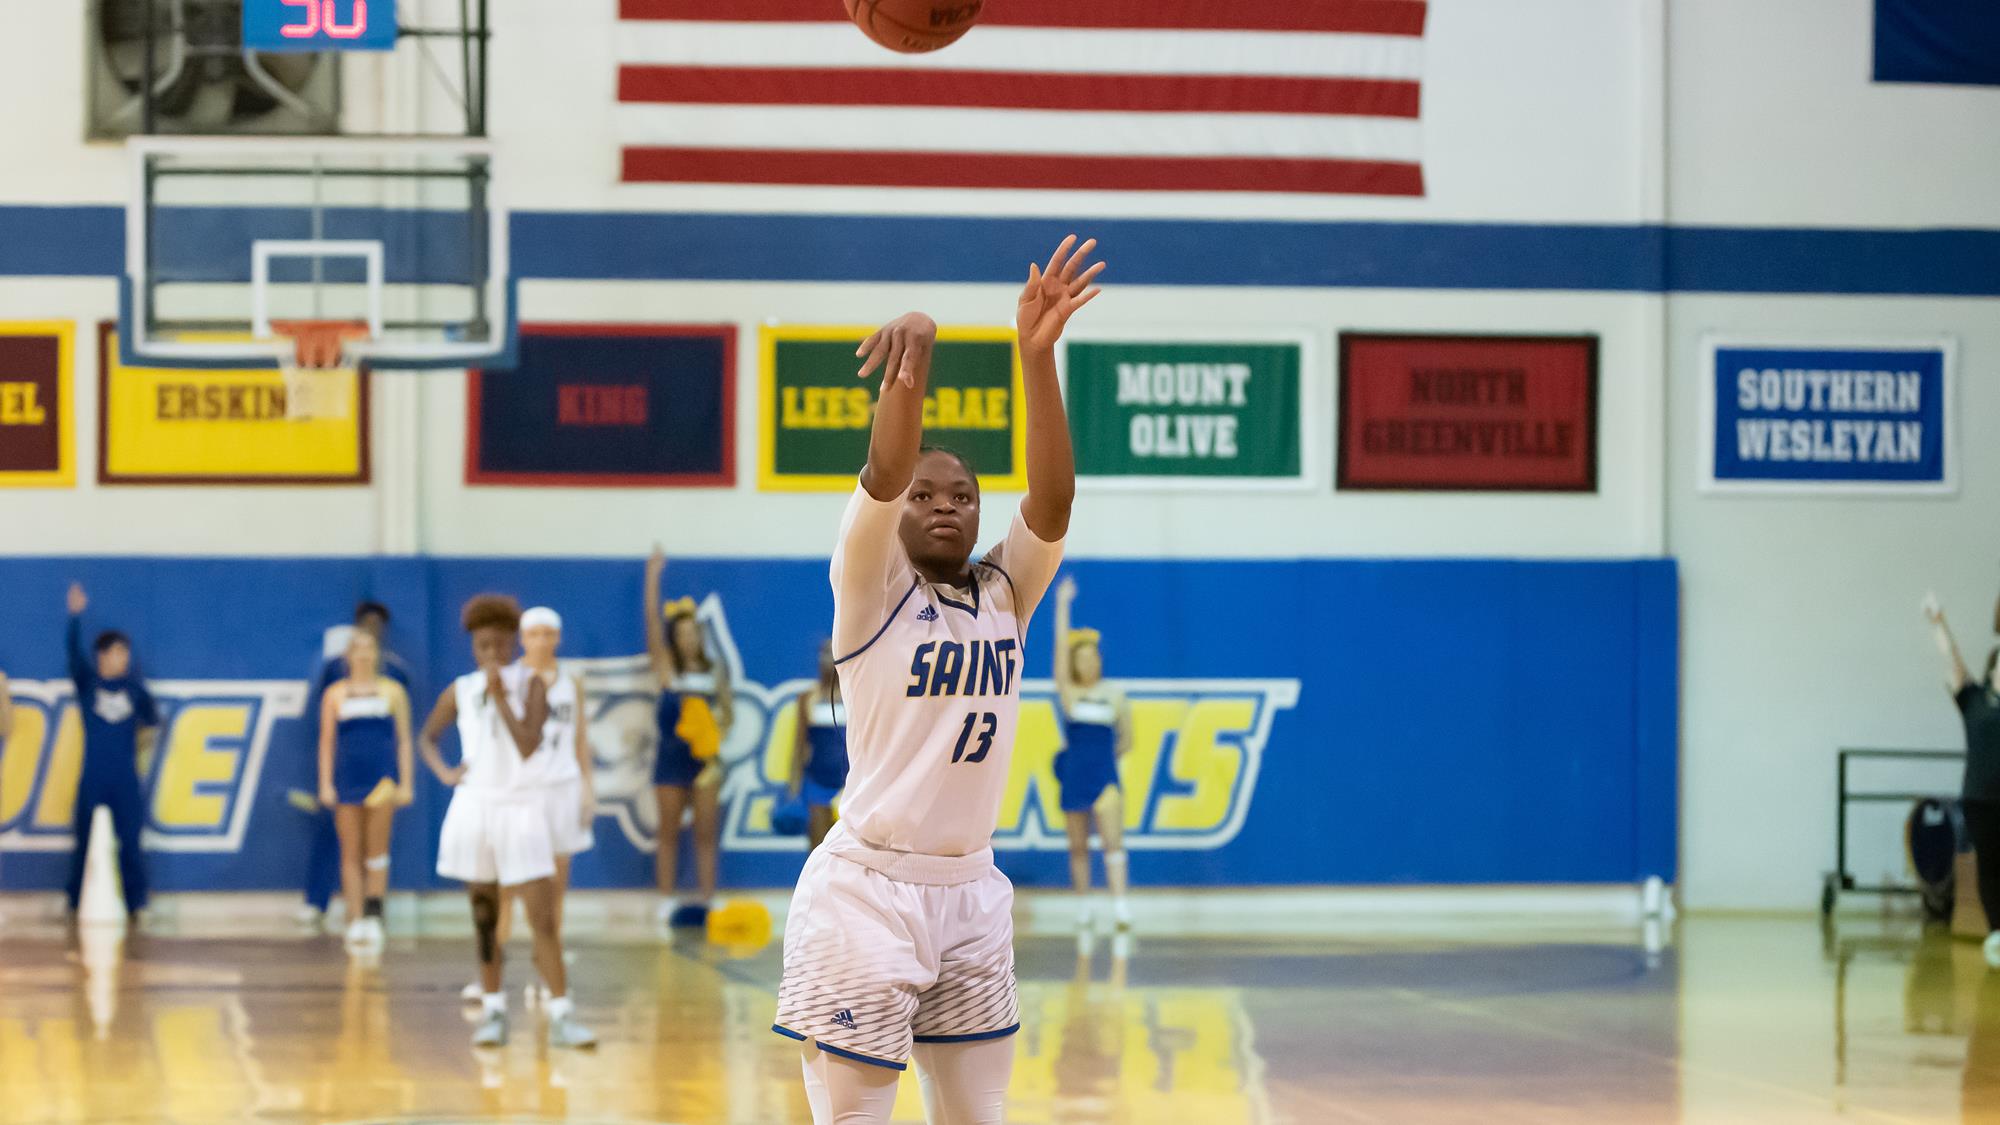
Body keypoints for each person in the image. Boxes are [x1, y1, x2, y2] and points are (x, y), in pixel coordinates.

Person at [772, 234, 1101, 1124]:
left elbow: (1054, 501)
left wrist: (1036, 354)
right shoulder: (870, 585)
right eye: (927, 496)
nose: (945, 504)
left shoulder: (1005, 592)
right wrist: (913, 356)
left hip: (972, 892)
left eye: (962, 495)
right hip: (866, 891)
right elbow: (884, 472)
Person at [419, 594, 595, 1049]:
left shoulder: (533, 685)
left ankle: (562, 1013)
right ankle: (494, 1010)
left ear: (513, 644)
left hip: (522, 808)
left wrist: (499, 697)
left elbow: (528, 745)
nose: (494, 653)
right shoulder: (461, 689)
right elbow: (427, 737)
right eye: (484, 646)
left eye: (501, 645)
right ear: (473, 648)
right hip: (475, 807)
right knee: (485, 917)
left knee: (543, 918)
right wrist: (446, 772)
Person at [470, 606, 595, 1003]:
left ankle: (547, 974)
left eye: (548, 633)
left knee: (555, 890)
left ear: (558, 637)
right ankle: (491, 976)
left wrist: (588, 787)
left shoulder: (571, 682)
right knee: (506, 888)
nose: (541, 641)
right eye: (534, 634)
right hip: (521, 793)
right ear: (523, 639)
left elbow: (579, 738)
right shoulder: (510, 680)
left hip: (562, 790)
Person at [302, 602, 412, 930]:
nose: (364, 655)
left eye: (369, 649)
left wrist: (406, 783)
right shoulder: (334, 694)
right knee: (350, 852)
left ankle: (375, 914)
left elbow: (404, 740)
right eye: (358, 649)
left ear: (378, 653)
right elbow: (326, 742)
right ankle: (355, 918)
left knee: (377, 850)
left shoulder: (393, 691)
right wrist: (326, 783)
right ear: (347, 655)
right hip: (347, 780)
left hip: (382, 781)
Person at [644, 550, 733, 929]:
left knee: (706, 833)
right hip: (670, 760)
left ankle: (709, 899)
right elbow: (652, 625)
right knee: (668, 832)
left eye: (693, 632)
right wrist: (652, 577)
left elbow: (727, 713)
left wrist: (712, 735)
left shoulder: (714, 671)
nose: (688, 638)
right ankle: (666, 900)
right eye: (681, 634)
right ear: (673, 638)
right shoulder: (667, 670)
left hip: (705, 762)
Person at [63, 582, 158, 923]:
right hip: (93, 777)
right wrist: (74, 618)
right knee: (84, 841)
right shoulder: (88, 685)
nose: (123, 658)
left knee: (130, 842)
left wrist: (140, 752)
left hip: (125, 779)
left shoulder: (136, 690)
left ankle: (137, 904)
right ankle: (75, 902)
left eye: (126, 652)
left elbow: (152, 723)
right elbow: (73, 656)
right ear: (103, 656)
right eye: (117, 652)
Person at [1051, 576, 1133, 931]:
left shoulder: (1115, 694)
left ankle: (1121, 909)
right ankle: (1084, 908)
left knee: (1113, 843)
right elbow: (1058, 650)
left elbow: (1126, 739)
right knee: (1078, 846)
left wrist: (1105, 760)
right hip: (1074, 775)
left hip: (1105, 775)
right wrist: (1062, 604)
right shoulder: (1068, 692)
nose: (1089, 663)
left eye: (1093, 657)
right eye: (1082, 658)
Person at [1925, 592, 2000, 968]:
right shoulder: (1974, 700)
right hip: (1980, 800)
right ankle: (1997, 933)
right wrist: (1938, 622)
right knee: (1990, 867)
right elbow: (1952, 660)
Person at [788, 641, 848, 850]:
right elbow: (799, 745)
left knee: (849, 846)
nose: (828, 658)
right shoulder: (807, 697)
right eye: (824, 653)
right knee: (818, 846)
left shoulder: (856, 694)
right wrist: (794, 783)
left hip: (849, 782)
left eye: (832, 652)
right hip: (817, 780)